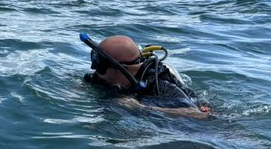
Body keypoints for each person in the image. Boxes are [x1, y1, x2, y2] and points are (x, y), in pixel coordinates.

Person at [81, 34, 213, 119]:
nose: (95, 70)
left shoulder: (160, 86)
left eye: (100, 66)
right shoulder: (104, 76)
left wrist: (141, 108)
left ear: (122, 68)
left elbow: (198, 115)